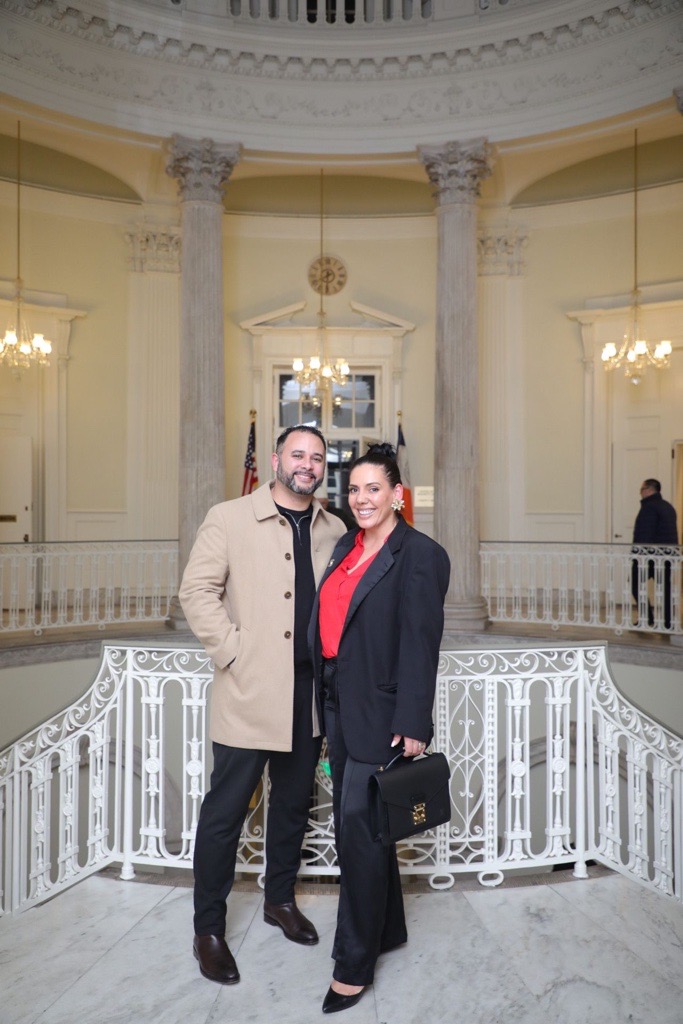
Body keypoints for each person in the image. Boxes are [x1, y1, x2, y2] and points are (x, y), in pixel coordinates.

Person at [179, 424, 346, 985]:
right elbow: (196, 592)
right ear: (276, 459)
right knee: (225, 816)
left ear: (324, 467)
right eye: (297, 454)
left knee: (294, 807)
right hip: (249, 692)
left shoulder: (335, 527)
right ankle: (208, 931)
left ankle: (279, 901)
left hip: (309, 698)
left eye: (316, 457)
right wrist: (234, 653)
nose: (307, 464)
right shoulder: (228, 516)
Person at [309, 442, 450, 1014]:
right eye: (354, 489)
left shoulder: (421, 554)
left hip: (384, 717)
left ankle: (353, 963)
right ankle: (389, 929)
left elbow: (422, 644)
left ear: (397, 494)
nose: (362, 499)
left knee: (360, 836)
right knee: (365, 831)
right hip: (340, 706)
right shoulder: (346, 545)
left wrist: (414, 720)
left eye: (374, 488)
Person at [630, 478, 679, 630]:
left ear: (648, 490)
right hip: (667, 556)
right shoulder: (668, 506)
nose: (641, 493)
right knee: (665, 589)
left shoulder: (649, 508)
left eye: (641, 489)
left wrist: (638, 554)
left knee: (636, 586)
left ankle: (646, 618)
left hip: (649, 556)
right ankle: (668, 622)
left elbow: (645, 533)